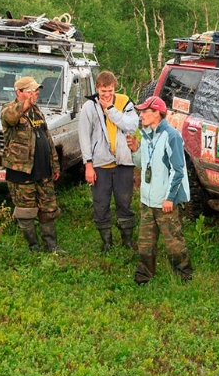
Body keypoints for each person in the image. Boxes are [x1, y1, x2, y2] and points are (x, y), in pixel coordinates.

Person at [126, 96, 193, 284]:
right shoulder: (147, 134)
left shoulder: (171, 136)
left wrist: (169, 198)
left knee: (174, 242)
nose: (141, 116)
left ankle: (184, 274)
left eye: (144, 112)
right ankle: (144, 275)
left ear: (157, 113)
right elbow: (142, 164)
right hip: (148, 200)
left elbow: (178, 171)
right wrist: (135, 149)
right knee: (145, 243)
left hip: (165, 201)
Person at [78, 71, 139, 252]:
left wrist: (111, 110)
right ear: (97, 88)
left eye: (110, 90)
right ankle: (107, 242)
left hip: (123, 163)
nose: (106, 94)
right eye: (103, 91)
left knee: (124, 202)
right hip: (99, 164)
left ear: (115, 88)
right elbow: (84, 137)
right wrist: (88, 164)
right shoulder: (89, 106)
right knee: (101, 204)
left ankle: (127, 241)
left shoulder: (124, 102)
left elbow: (131, 125)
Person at [0, 76, 62, 252]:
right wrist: (26, 103)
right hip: (22, 172)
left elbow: (47, 139)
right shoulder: (8, 110)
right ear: (18, 92)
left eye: (36, 91)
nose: (35, 94)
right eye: (30, 91)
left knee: (49, 210)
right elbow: (11, 118)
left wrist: (54, 165)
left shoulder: (37, 111)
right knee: (26, 212)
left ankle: (52, 246)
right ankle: (33, 247)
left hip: (43, 171)